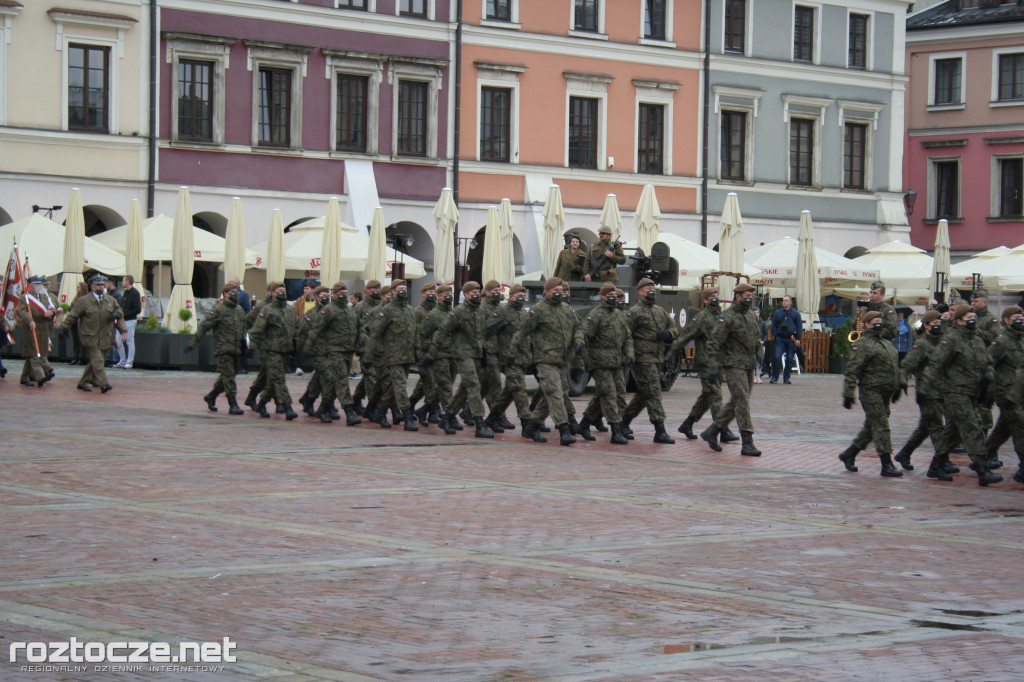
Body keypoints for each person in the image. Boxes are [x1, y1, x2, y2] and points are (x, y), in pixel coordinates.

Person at [936, 304, 1000, 486]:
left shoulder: (978, 341)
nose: (972, 321)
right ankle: (982, 469)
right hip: (955, 391)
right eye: (968, 318)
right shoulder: (951, 340)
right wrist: (926, 390)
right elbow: (935, 364)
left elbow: (988, 363)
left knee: (953, 432)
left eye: (974, 317)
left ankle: (936, 464)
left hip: (974, 392)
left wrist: (989, 378)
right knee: (973, 426)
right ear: (958, 321)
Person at [511, 277, 579, 445]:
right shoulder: (538, 310)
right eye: (555, 290)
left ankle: (531, 427)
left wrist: (578, 341)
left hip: (562, 361)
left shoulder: (566, 310)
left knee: (553, 395)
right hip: (545, 361)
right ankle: (564, 429)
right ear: (547, 292)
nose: (559, 293)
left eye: (561, 290)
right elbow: (522, 332)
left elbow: (578, 328)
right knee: (555, 394)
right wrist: (512, 353)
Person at [838, 311, 906, 477]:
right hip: (871, 391)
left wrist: (900, 384)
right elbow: (852, 370)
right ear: (867, 324)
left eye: (880, 321)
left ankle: (850, 453)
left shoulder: (886, 342)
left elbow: (895, 365)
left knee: (871, 427)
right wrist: (848, 392)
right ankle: (886, 463)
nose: (879, 324)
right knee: (881, 425)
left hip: (887, 391)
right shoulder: (862, 344)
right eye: (876, 321)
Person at [894, 311, 958, 480]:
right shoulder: (922, 345)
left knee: (926, 427)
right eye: (934, 322)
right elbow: (907, 365)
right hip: (927, 391)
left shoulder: (944, 342)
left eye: (939, 321)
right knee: (936, 426)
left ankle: (905, 453)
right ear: (927, 325)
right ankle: (942, 461)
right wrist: (900, 383)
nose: (938, 324)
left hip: (943, 390)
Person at [701, 282, 763, 456]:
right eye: (747, 296)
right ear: (738, 297)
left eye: (751, 296)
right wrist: (713, 366)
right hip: (733, 365)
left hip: (749, 365)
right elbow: (714, 343)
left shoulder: (751, 315)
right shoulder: (726, 317)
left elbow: (757, 337)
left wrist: (760, 352)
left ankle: (712, 431)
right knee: (742, 401)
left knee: (736, 401)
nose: (749, 299)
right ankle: (747, 442)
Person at [428, 281, 493, 438]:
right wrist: (432, 354)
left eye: (478, 291)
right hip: (462, 355)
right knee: (474, 386)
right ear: (466, 295)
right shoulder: (458, 311)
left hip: (477, 355)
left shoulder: (481, 311)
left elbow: (483, 334)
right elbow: (442, 331)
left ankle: (446, 418)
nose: (476, 294)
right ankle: (479, 423)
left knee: (464, 391)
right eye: (472, 292)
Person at [621, 278, 678, 444]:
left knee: (645, 394)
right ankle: (660, 429)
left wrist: (669, 334)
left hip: (657, 358)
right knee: (654, 392)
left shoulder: (660, 311)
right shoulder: (635, 312)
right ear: (640, 292)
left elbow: (673, 328)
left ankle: (623, 423)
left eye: (653, 288)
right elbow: (626, 335)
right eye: (647, 288)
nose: (651, 291)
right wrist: (629, 355)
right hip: (642, 358)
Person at [670, 286, 730, 443]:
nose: (716, 297)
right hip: (706, 362)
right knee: (715, 395)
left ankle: (687, 424)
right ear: (705, 300)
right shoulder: (702, 317)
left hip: (719, 362)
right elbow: (686, 334)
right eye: (712, 296)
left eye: (717, 294)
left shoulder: (722, 317)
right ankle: (722, 429)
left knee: (707, 396)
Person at [579, 282, 633, 444]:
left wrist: (629, 354)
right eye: (609, 294)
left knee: (616, 394)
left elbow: (628, 338)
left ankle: (585, 424)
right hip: (600, 362)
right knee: (609, 394)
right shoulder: (596, 314)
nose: (613, 297)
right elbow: (584, 333)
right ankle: (616, 430)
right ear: (602, 296)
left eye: (615, 295)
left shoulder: (620, 314)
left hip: (617, 362)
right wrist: (580, 348)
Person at [489, 284, 543, 441]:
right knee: (520, 390)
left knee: (508, 392)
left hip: (524, 358)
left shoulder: (524, 313)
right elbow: (487, 330)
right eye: (518, 294)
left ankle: (492, 418)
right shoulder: (503, 312)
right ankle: (527, 425)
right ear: (511, 296)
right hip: (509, 359)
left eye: (523, 294)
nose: (521, 297)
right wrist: (495, 349)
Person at [306, 283, 362, 425]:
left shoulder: (350, 310)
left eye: (345, 291)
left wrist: (360, 341)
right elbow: (316, 329)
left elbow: (357, 327)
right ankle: (349, 412)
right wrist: (307, 349)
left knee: (333, 383)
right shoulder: (329, 310)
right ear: (334, 294)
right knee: (342, 381)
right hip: (333, 351)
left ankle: (322, 408)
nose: (343, 294)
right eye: (340, 292)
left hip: (348, 351)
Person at [61, 275, 127, 393]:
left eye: (103, 285)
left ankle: (83, 382)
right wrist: (64, 328)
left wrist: (123, 330)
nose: (101, 287)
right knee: (99, 361)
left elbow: (119, 313)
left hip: (106, 336)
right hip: (90, 336)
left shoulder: (110, 300)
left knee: (95, 361)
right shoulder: (84, 301)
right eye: (98, 285)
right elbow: (73, 315)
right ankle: (104, 384)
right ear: (92, 287)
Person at [188, 282, 247, 414]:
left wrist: (245, 345)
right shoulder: (218, 310)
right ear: (225, 294)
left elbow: (243, 328)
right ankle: (233, 404)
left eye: (236, 291)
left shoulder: (239, 310)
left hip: (237, 349)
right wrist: (193, 342)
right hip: (223, 349)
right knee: (229, 377)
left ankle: (211, 396)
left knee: (228, 376)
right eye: (231, 291)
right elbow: (204, 326)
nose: (235, 293)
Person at [368, 279, 419, 431]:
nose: (403, 291)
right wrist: (368, 356)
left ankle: (381, 413)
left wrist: (418, 352)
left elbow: (414, 333)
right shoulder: (387, 310)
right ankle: (408, 417)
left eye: (404, 288)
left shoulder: (410, 310)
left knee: (392, 387)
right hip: (392, 356)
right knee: (401, 386)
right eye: (399, 289)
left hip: (407, 356)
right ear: (393, 292)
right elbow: (375, 333)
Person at [983, 306, 1024, 485]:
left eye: (1022, 317)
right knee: (1020, 426)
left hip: (1020, 392)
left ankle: (982, 458)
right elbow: (988, 363)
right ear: (1007, 320)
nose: (1021, 320)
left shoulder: (1021, 339)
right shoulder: (1002, 341)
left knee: (1003, 429)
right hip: (1006, 394)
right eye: (1017, 317)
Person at [249, 281, 299, 420]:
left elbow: (296, 329)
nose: (282, 293)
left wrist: (296, 347)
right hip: (271, 350)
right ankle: (288, 407)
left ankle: (261, 403)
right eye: (278, 291)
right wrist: (252, 346)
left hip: (285, 350)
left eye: (283, 290)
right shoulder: (267, 309)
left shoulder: (290, 310)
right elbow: (257, 329)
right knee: (279, 379)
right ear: (272, 293)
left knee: (272, 380)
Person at [16, 275, 61, 387]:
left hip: (43, 328)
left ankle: (24, 377)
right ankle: (41, 376)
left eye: (39, 284)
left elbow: (53, 307)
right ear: (30, 285)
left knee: (37, 352)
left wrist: (52, 312)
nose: (39, 286)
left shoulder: (45, 297)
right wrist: (30, 320)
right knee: (34, 353)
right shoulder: (25, 298)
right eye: (36, 284)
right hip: (31, 328)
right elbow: (22, 311)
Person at [770, 295, 802, 384]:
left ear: (790, 302)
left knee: (790, 358)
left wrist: (798, 339)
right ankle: (774, 377)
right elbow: (774, 324)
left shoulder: (795, 313)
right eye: (783, 300)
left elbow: (799, 326)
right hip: (780, 338)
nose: (784, 302)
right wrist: (775, 334)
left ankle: (786, 378)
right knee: (777, 357)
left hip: (791, 338)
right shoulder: (778, 313)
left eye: (786, 301)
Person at [114, 275, 142, 369]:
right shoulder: (125, 292)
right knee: (118, 341)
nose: (122, 282)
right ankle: (122, 361)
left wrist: (126, 314)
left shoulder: (135, 293)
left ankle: (129, 362)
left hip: (130, 320)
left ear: (128, 281)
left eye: (123, 280)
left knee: (129, 341)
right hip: (122, 320)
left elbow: (137, 309)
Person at [227, 276, 252, 373]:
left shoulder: (243, 295)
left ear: (237, 285)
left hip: (240, 325)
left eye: (231, 283)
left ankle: (243, 367)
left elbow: (247, 310)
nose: (229, 285)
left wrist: (246, 325)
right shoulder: (226, 294)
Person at [104, 279, 124, 367]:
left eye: (105, 283)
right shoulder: (109, 293)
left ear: (110, 283)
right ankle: (109, 358)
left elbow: (118, 308)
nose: (104, 286)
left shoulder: (116, 295)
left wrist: (113, 316)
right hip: (109, 320)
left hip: (114, 320)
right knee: (110, 340)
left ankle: (114, 358)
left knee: (114, 340)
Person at [753, 306, 767, 383]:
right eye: (755, 312)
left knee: (759, 360)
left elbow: (766, 334)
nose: (756, 314)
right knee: (753, 360)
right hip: (752, 344)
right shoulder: (750, 322)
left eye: (757, 312)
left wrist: (763, 341)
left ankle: (758, 375)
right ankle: (753, 376)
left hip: (760, 344)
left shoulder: (762, 323)